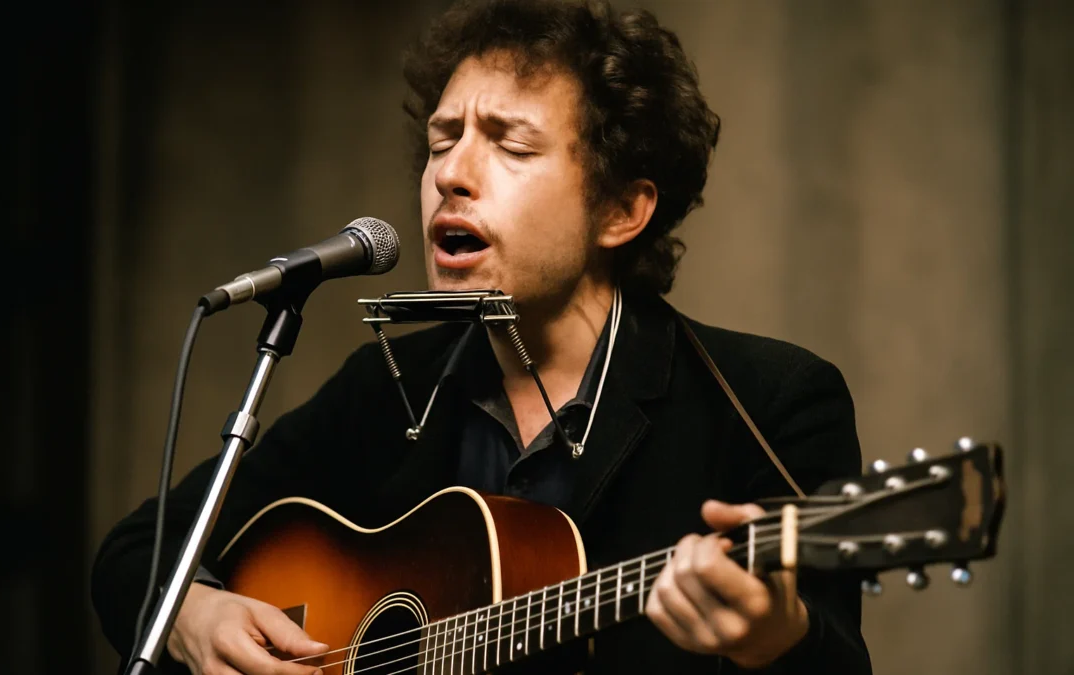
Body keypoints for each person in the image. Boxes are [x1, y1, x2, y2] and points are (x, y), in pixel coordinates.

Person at [92, 1, 872, 673]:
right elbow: (133, 554)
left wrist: (778, 636)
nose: (450, 175)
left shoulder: (767, 402)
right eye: (442, 141)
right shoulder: (388, 390)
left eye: (510, 144)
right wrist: (194, 614)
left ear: (620, 210)